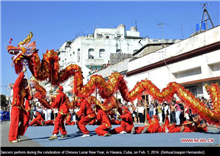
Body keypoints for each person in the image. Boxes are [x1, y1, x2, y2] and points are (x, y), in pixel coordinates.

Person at [8, 66, 32, 143]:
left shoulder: (24, 90)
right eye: (25, 82)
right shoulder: (16, 87)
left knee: (26, 120)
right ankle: (12, 138)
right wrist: (23, 72)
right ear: (22, 82)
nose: (26, 84)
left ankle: (17, 134)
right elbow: (17, 81)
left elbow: (29, 98)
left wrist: (31, 93)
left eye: (26, 82)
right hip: (15, 106)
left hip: (22, 108)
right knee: (15, 122)